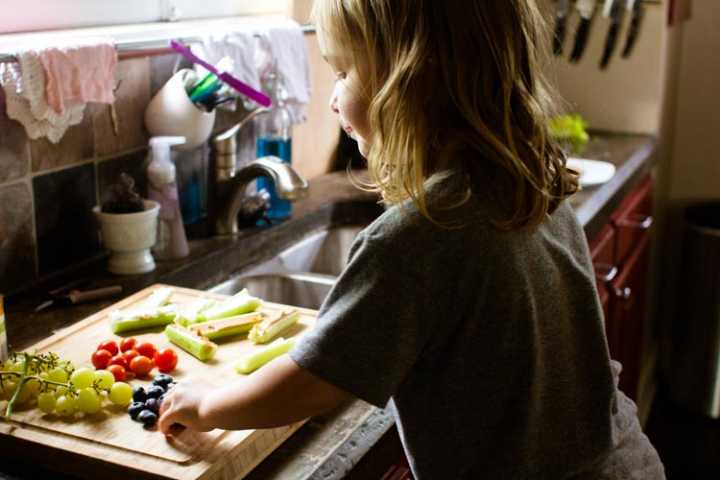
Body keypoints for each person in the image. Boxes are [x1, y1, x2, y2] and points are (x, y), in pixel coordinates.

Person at [158, 1, 666, 478]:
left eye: (342, 73)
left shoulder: (418, 235)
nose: (333, 99)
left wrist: (207, 406)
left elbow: (314, 380)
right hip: (622, 462)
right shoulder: (531, 185)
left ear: (410, 81)